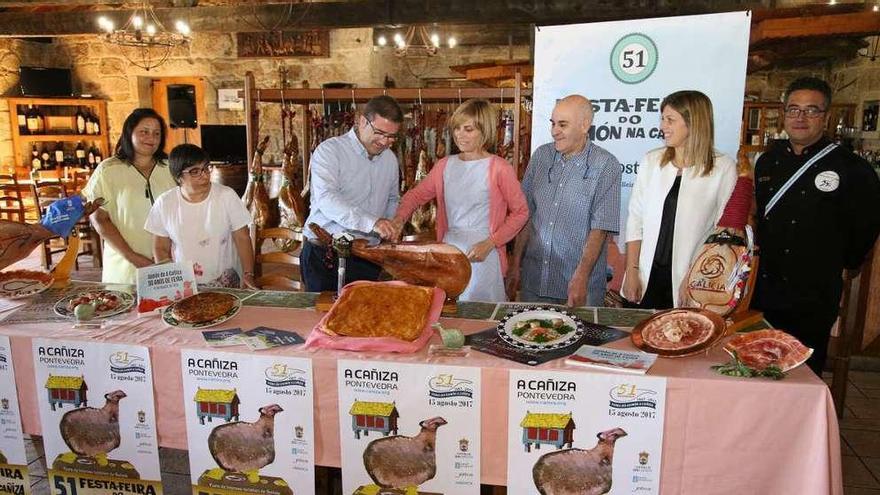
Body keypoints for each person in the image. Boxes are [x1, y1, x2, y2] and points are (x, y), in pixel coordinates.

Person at [753, 77, 880, 374]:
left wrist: (844, 262)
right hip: (765, 288)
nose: (800, 118)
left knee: (804, 371)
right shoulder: (767, 162)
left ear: (826, 116)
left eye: (811, 110)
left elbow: (867, 224)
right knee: (758, 366)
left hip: (813, 291)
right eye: (793, 109)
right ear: (784, 113)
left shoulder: (852, 168)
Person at [393, 99, 528, 302]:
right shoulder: (444, 165)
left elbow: (521, 212)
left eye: (468, 129)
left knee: (481, 322)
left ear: (485, 131)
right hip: (450, 253)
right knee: (449, 318)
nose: (459, 135)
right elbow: (414, 196)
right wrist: (398, 220)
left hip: (483, 255)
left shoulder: (500, 168)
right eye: (457, 128)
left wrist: (491, 243)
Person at [622, 90, 738, 309]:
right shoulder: (652, 161)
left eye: (670, 120)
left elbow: (722, 233)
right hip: (645, 278)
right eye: (662, 119)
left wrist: (694, 279)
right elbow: (635, 220)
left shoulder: (723, 167)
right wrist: (631, 272)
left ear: (694, 123)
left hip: (692, 281)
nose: (662, 127)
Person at [507, 95, 622, 307]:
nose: (554, 131)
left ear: (584, 125)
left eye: (562, 125)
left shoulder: (606, 165)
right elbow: (526, 214)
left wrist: (581, 277)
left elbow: (601, 229)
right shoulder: (541, 157)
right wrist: (514, 265)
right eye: (552, 123)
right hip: (534, 284)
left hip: (578, 287)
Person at [300, 95, 403, 292]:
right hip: (325, 253)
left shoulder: (390, 159)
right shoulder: (330, 151)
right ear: (363, 121)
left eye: (391, 136)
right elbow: (327, 198)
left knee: (362, 316)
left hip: (367, 256)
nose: (385, 141)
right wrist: (373, 222)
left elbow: (392, 198)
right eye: (380, 133)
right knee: (322, 317)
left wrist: (391, 224)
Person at [82, 108, 177, 284]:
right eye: (144, 132)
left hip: (169, 265)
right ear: (129, 132)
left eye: (157, 133)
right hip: (125, 266)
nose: (151, 138)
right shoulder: (108, 170)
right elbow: (100, 219)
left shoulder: (171, 168)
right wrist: (133, 257)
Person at [144, 144, 256, 289]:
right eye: (195, 171)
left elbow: (242, 237)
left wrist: (248, 273)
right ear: (178, 177)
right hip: (185, 284)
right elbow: (160, 248)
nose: (204, 175)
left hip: (226, 281)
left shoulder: (226, 196)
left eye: (206, 168)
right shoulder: (165, 203)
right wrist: (170, 281)